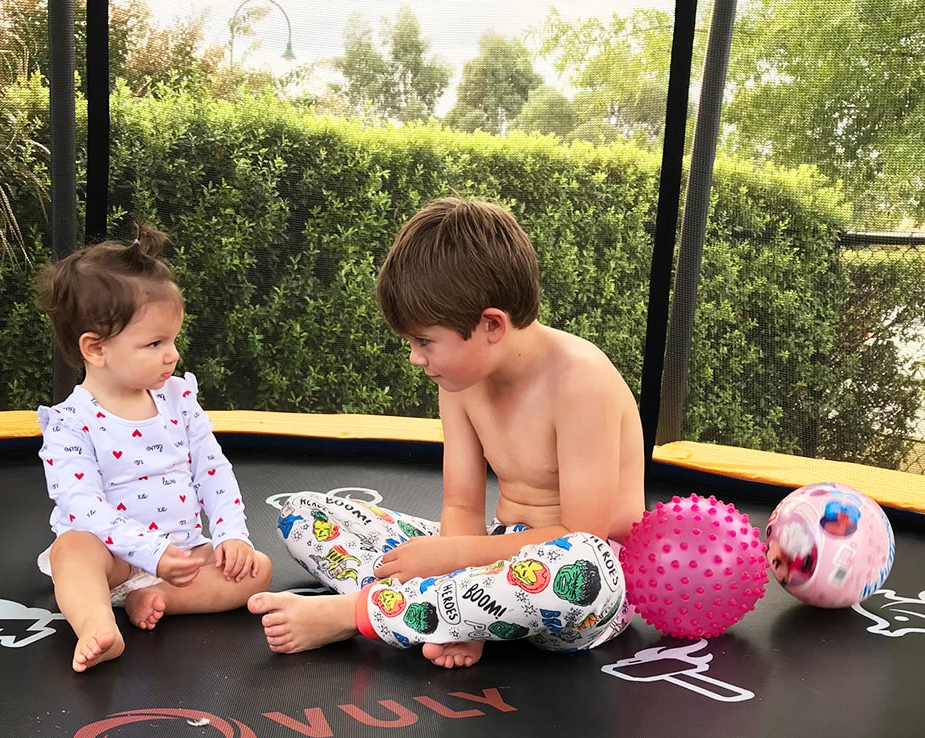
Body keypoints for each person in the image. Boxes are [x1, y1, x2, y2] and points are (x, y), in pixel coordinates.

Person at [248, 196, 645, 668]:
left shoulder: (580, 381)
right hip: (488, 557)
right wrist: (454, 560)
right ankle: (456, 615)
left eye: (425, 341)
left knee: (585, 564)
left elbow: (584, 532)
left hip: (580, 589)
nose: (416, 358)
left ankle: (360, 613)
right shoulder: (460, 382)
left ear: (491, 325)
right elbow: (460, 505)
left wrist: (454, 557)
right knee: (304, 515)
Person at [36, 223, 272, 672]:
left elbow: (212, 470)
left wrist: (230, 535)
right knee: (72, 550)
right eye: (155, 343)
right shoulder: (70, 423)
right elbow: (83, 507)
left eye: (174, 340)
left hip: (184, 557)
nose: (173, 355)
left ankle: (157, 598)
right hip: (113, 561)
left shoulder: (179, 400)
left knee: (256, 569)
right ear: (96, 348)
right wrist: (148, 553)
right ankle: (96, 624)